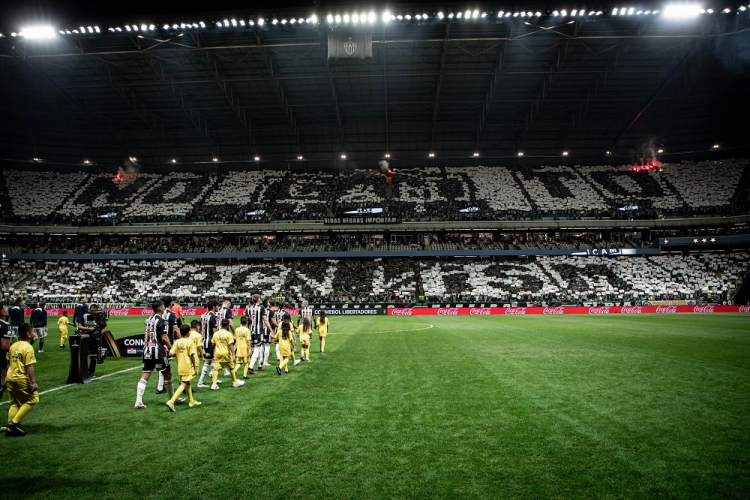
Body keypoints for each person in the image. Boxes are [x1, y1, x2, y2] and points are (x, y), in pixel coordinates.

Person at [133, 300, 183, 410]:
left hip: (146, 351)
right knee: (168, 374)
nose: (164, 307)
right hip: (158, 352)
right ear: (160, 308)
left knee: (145, 375)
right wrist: (172, 349)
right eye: (162, 306)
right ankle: (172, 398)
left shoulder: (148, 320)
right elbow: (164, 337)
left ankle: (138, 401)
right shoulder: (161, 320)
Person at [4, 324, 38, 436]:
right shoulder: (28, 347)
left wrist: (6, 377)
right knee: (33, 399)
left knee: (14, 402)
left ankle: (10, 430)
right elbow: (29, 366)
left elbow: (8, 362)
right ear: (28, 334)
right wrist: (33, 382)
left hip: (10, 377)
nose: (34, 334)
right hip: (21, 378)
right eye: (33, 332)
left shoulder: (13, 345)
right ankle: (14, 423)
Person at [165, 324, 201, 411]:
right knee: (184, 383)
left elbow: (171, 353)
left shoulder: (177, 342)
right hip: (188, 366)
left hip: (180, 366)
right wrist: (195, 368)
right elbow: (192, 355)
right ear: (189, 332)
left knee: (188, 382)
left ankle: (191, 400)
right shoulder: (190, 342)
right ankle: (171, 401)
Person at [210, 318, 243, 390]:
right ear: (228, 325)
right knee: (231, 367)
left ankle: (214, 384)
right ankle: (235, 382)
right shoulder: (228, 334)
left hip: (217, 353)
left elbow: (213, 344)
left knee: (216, 368)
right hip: (226, 353)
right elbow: (231, 345)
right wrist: (234, 354)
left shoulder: (216, 334)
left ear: (221, 324)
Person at [157, 296, 180, 395]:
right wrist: (181, 339)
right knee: (165, 364)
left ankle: (160, 386)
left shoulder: (157, 315)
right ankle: (160, 387)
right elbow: (175, 329)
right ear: (171, 303)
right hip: (167, 341)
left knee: (163, 363)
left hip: (157, 342)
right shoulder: (171, 314)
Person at [197, 299, 220, 388]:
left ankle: (215, 378)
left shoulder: (202, 315)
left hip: (204, 340)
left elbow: (200, 329)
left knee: (214, 359)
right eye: (217, 306)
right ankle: (200, 382)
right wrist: (216, 342)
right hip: (210, 341)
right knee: (208, 361)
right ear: (214, 306)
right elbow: (215, 332)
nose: (218, 307)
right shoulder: (213, 316)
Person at [247, 295, 271, 374]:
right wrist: (270, 330)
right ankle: (250, 367)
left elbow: (246, 319)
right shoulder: (261, 308)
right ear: (258, 299)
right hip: (258, 331)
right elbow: (265, 320)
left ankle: (259, 365)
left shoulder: (248, 308)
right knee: (257, 348)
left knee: (255, 347)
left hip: (250, 330)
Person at [217, 300, 235, 376]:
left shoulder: (217, 309)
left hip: (217, 332)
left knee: (218, 350)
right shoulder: (227, 310)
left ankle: (214, 370)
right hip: (224, 332)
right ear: (227, 304)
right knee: (226, 350)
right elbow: (230, 323)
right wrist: (234, 332)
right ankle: (227, 370)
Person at [0, 305, 11, 399]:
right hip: (1, 359)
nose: (7, 309)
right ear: (2, 313)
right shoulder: (5, 325)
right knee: (2, 385)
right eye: (5, 309)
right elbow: (4, 346)